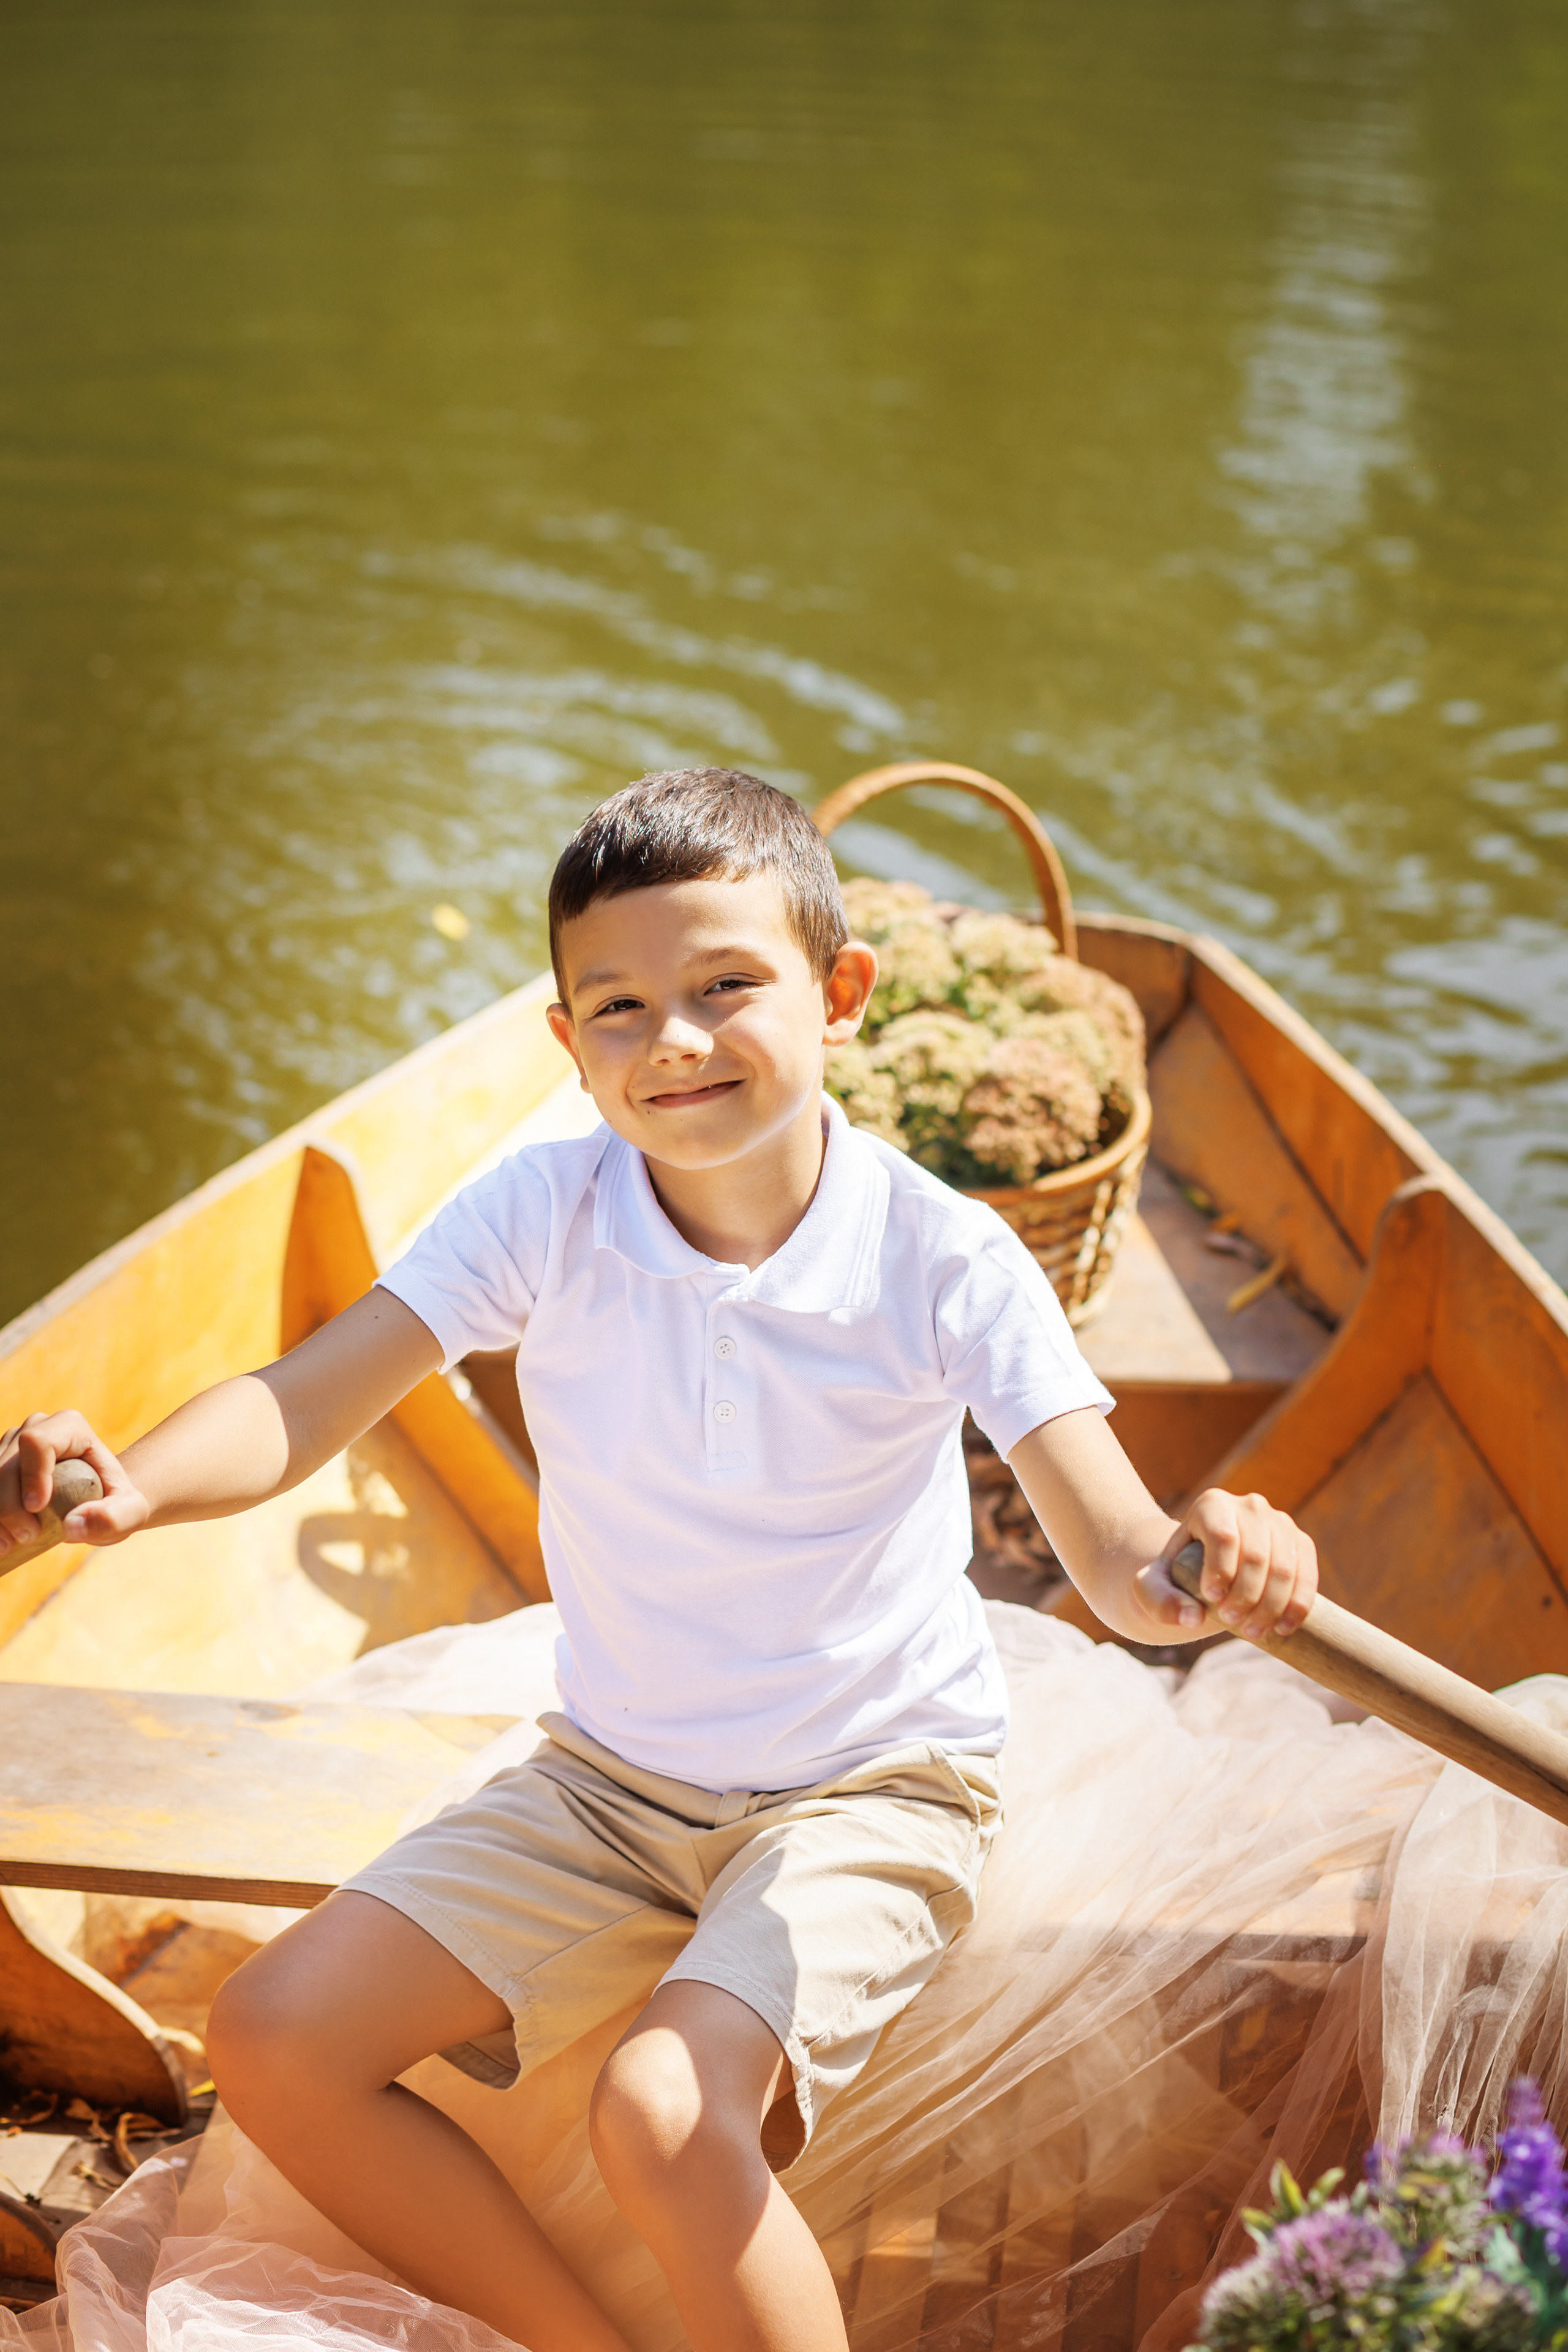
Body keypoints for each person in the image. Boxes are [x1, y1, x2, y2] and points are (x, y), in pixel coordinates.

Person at [0, 768, 1317, 2352]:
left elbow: (1120, 1564)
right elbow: (302, 1404)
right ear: (566, 1045)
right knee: (275, 2037)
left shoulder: (942, 1256)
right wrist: (134, 1487)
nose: (671, 1041)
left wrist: (1217, 1559)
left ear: (840, 998)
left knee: (668, 2111)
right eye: (615, 1008)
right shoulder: (544, 1208)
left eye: (725, 988)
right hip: (610, 1777)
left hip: (870, 1782)